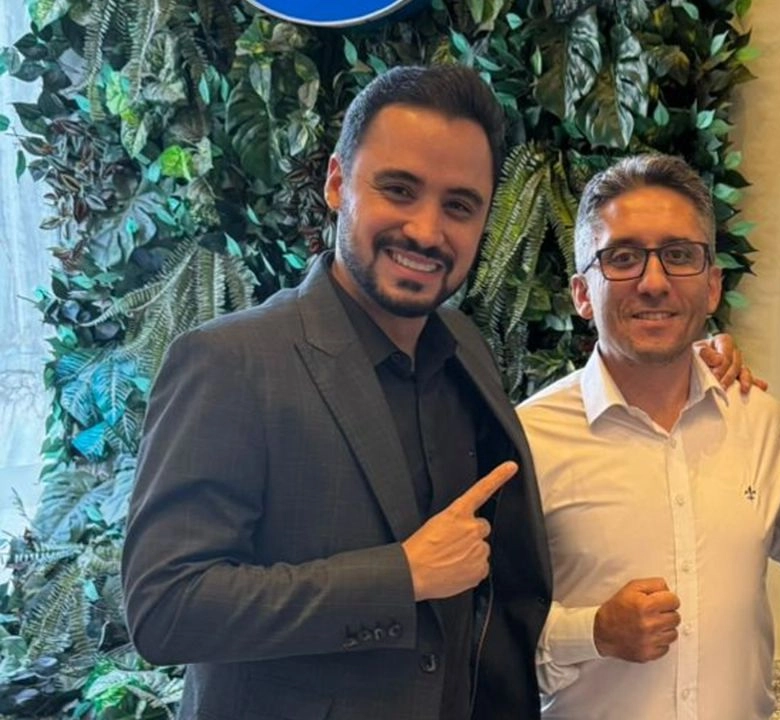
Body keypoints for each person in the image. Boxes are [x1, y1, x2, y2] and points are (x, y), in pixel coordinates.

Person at [121, 66, 745, 720]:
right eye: (398, 189)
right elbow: (167, 607)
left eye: (459, 205)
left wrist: (695, 362)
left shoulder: (463, 349)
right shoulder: (232, 362)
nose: (425, 230)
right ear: (337, 182)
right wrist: (403, 577)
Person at [518, 154, 780, 719]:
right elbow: (483, 639)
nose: (653, 283)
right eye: (622, 258)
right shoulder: (528, 440)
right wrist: (593, 632)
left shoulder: (765, 426)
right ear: (581, 293)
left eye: (679, 255)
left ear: (712, 286)